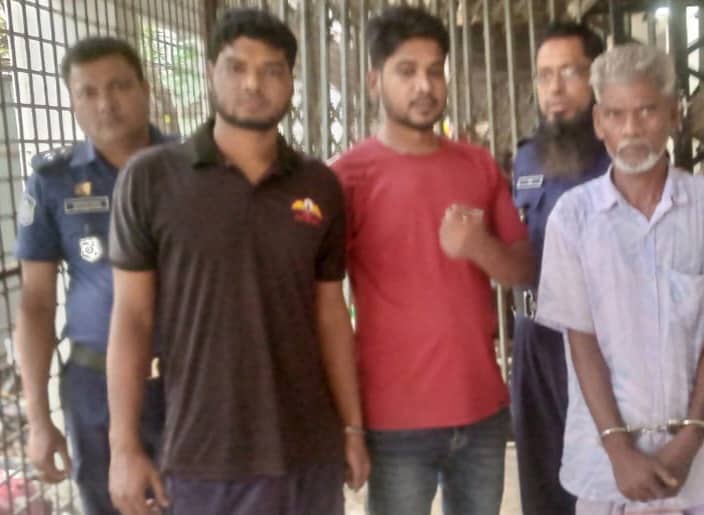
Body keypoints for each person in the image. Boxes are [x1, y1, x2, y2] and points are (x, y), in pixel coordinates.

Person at [105, 9, 368, 515]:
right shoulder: (151, 179)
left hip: (309, 450)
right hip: (205, 455)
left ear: (291, 82)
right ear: (210, 72)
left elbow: (331, 313)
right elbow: (132, 318)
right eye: (237, 67)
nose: (253, 83)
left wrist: (352, 429)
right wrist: (124, 446)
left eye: (272, 70)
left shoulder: (318, 184)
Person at [535, 43, 704, 515]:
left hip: (700, 457)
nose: (632, 129)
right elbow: (582, 342)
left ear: (674, 115)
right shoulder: (573, 218)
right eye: (616, 114)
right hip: (607, 461)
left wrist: (689, 440)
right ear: (598, 122)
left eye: (647, 111)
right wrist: (619, 450)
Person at [331, 6, 534, 515]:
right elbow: (323, 303)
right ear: (374, 81)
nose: (424, 85)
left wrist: (479, 247)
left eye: (435, 70)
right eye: (406, 71)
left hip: (482, 410)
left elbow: (524, 269)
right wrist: (349, 424)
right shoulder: (346, 178)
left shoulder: (478, 165)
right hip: (394, 422)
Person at [14, 36, 168, 515]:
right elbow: (36, 304)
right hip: (94, 385)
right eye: (88, 92)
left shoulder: (192, 167)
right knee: (110, 503)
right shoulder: (53, 181)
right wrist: (39, 419)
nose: (106, 103)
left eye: (119, 86)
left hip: (188, 379)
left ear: (144, 89)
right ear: (73, 101)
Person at [510, 21, 608, 515]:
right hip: (533, 337)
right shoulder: (527, 157)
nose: (555, 88)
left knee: (599, 477)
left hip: (600, 341)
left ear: (598, 78)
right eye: (545, 75)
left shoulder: (618, 158)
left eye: (571, 72)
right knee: (541, 478)